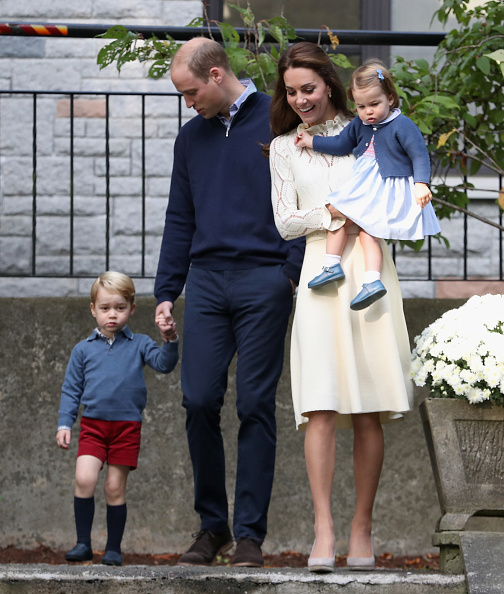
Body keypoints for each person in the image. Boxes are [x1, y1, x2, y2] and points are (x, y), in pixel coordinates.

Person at [154, 37, 304, 567]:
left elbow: (306, 197)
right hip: (208, 283)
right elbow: (180, 217)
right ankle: (211, 527)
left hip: (266, 279)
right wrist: (167, 291)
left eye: (190, 91)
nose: (187, 102)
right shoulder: (190, 138)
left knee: (256, 406)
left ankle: (249, 537)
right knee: (197, 400)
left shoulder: (278, 120)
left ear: (217, 75)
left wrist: (288, 274)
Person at [269, 42, 413, 572]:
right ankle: (324, 530)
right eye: (291, 91)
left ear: (328, 84)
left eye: (308, 88)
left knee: (369, 404)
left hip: (370, 266)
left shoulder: (372, 128)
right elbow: (286, 221)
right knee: (321, 404)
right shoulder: (285, 148)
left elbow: (396, 188)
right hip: (317, 270)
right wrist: (334, 212)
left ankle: (361, 529)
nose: (301, 98)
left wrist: (363, 211)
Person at [295, 59, 440, 310]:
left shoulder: (402, 125)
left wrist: (421, 184)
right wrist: (311, 141)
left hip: (386, 186)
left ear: (390, 99)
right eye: (361, 106)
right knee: (341, 217)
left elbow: (419, 154)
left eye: (374, 104)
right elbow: (340, 143)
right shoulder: (360, 124)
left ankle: (368, 279)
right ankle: (336, 267)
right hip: (364, 183)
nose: (368, 112)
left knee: (361, 226)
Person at [56, 271, 179, 566]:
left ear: (132, 309)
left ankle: (113, 548)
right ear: (93, 309)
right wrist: (64, 423)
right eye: (105, 308)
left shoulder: (140, 344)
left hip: (126, 428)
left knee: (114, 487)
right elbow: (71, 389)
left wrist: (170, 339)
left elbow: (164, 364)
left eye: (120, 308)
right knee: (84, 478)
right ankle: (83, 543)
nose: (112, 315)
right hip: (93, 426)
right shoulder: (83, 349)